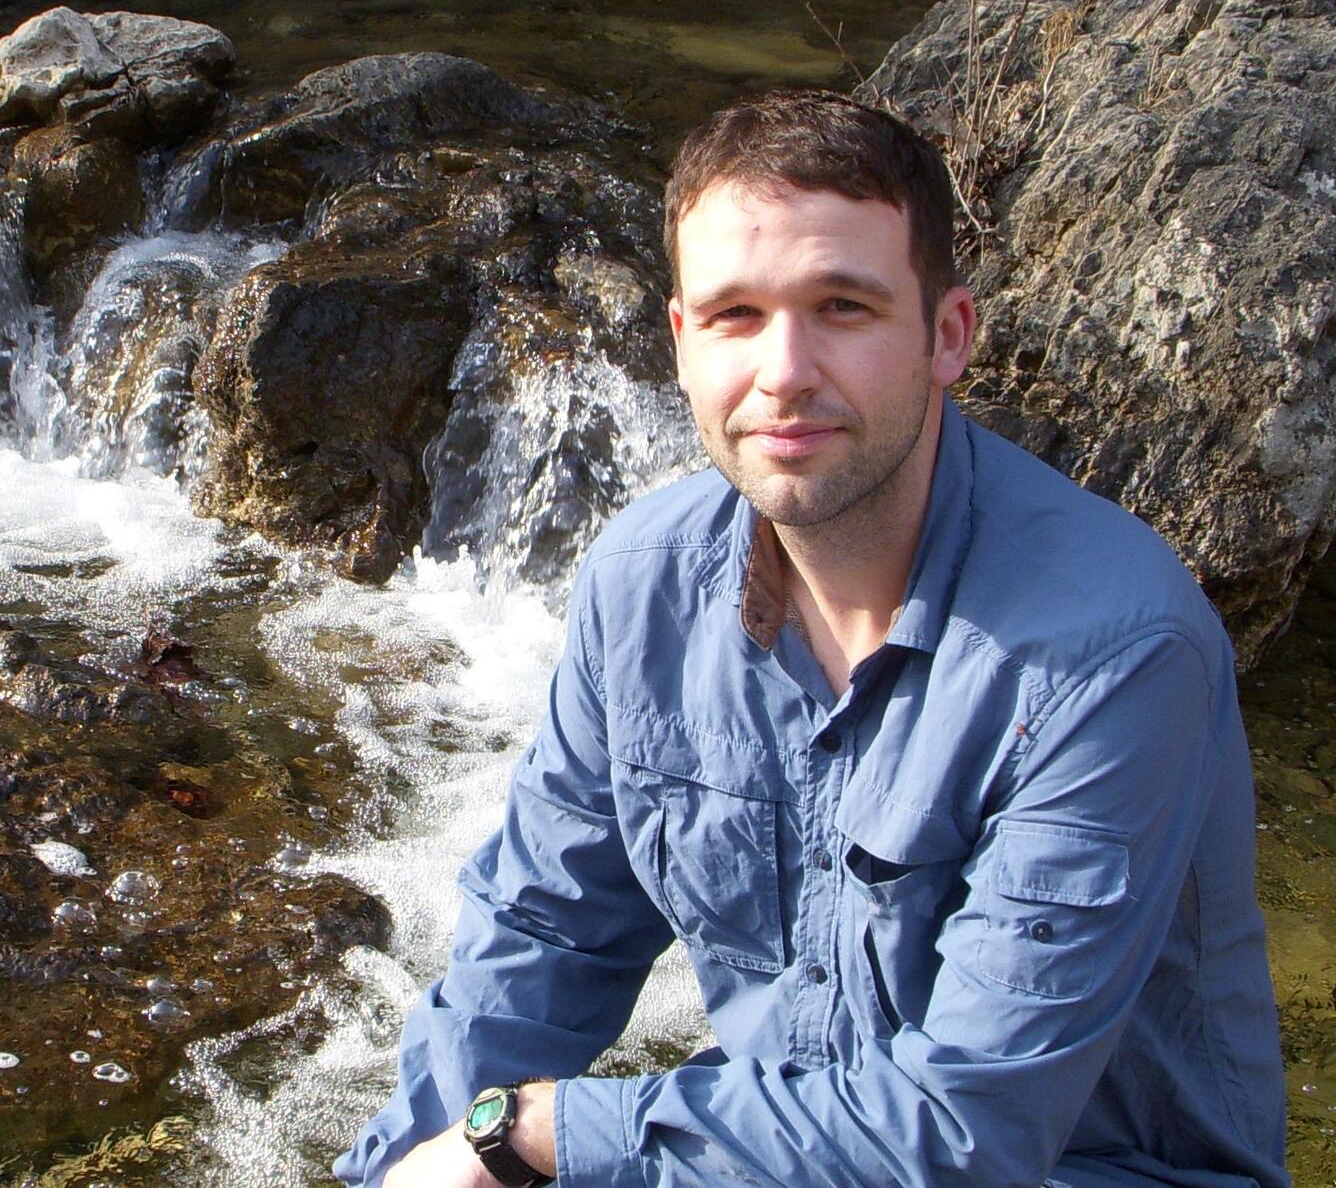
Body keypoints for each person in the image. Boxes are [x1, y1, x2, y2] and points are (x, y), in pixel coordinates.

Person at [336, 90, 1288, 1188]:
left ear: (946, 335)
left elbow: (964, 1132)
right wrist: (403, 1162)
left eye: (841, 306)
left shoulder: (1106, 653)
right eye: (736, 314)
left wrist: (532, 1134)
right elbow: (543, 936)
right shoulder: (641, 585)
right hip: (777, 1140)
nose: (784, 371)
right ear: (682, 342)